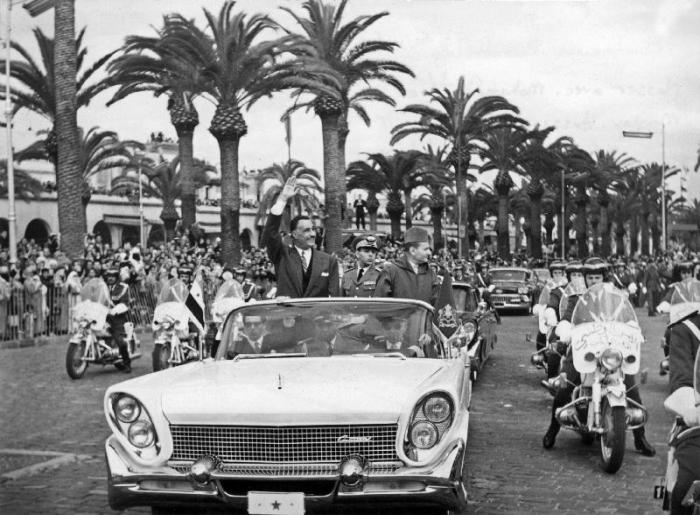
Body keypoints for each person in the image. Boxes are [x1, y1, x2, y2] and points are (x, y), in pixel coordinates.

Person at [542, 257, 655, 456]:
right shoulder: (577, 298)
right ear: (585, 279)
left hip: (610, 350)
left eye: (598, 277)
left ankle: (640, 437)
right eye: (591, 277)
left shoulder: (615, 298)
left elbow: (627, 317)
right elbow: (568, 318)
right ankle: (553, 429)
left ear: (604, 277)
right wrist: (565, 329)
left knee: (631, 387)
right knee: (565, 385)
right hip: (584, 349)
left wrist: (633, 328)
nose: (594, 281)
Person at [262, 176, 339, 298]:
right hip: (288, 315)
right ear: (294, 234)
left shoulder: (328, 261)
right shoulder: (282, 255)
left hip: (317, 316)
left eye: (313, 229)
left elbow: (335, 297)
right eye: (306, 230)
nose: (313, 234)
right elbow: (270, 233)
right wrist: (283, 199)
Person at [664, 281, 700, 514]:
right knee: (680, 488)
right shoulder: (685, 327)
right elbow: (683, 378)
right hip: (699, 410)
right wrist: (692, 408)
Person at [374, 227, 453, 309]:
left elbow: (438, 305)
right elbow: (379, 307)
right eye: (425, 249)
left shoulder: (430, 273)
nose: (429, 252)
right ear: (413, 251)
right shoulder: (390, 272)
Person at [105, 267, 132, 373]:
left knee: (120, 341)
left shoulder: (123, 287)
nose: (110, 279)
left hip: (117, 317)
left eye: (112, 277)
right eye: (109, 276)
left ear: (116, 277)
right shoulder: (103, 287)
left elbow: (125, 303)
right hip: (103, 316)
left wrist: (115, 310)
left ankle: (127, 363)